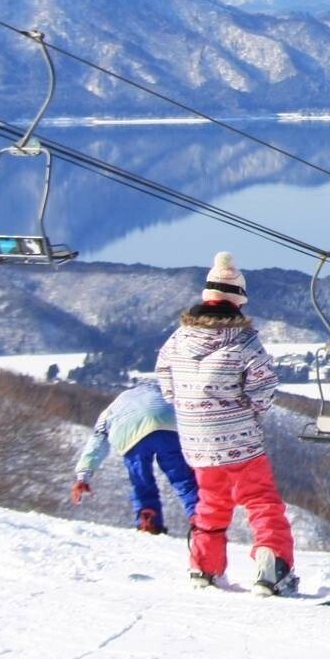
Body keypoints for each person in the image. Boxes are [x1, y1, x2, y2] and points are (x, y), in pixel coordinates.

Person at [155, 251, 298, 596]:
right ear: (238, 300)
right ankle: (272, 567)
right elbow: (263, 387)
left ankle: (203, 567)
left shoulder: (178, 338)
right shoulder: (244, 340)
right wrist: (249, 412)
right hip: (239, 439)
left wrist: (190, 408)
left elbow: (165, 379)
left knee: (211, 500)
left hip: (196, 441)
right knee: (260, 500)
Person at [71, 378, 201, 535]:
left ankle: (148, 520)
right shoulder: (166, 394)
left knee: (141, 482)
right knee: (183, 478)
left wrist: (83, 475)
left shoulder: (113, 407)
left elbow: (98, 439)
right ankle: (199, 519)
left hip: (129, 433)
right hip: (167, 423)